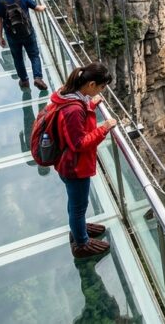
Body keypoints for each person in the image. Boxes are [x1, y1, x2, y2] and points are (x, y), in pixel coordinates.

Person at [50, 62, 119, 258]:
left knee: (76, 204)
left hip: (67, 162)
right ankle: (81, 243)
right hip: (74, 166)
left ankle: (79, 227)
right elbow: (78, 143)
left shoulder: (71, 95)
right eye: (101, 86)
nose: (102, 90)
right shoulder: (73, 109)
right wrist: (104, 128)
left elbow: (75, 124)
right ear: (90, 84)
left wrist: (91, 104)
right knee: (78, 206)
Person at [0, 0, 48, 90]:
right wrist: (44, 6)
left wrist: (0, 37)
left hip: (11, 35)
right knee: (34, 55)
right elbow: (37, 8)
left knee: (17, 58)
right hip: (27, 32)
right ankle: (37, 77)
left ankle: (24, 81)